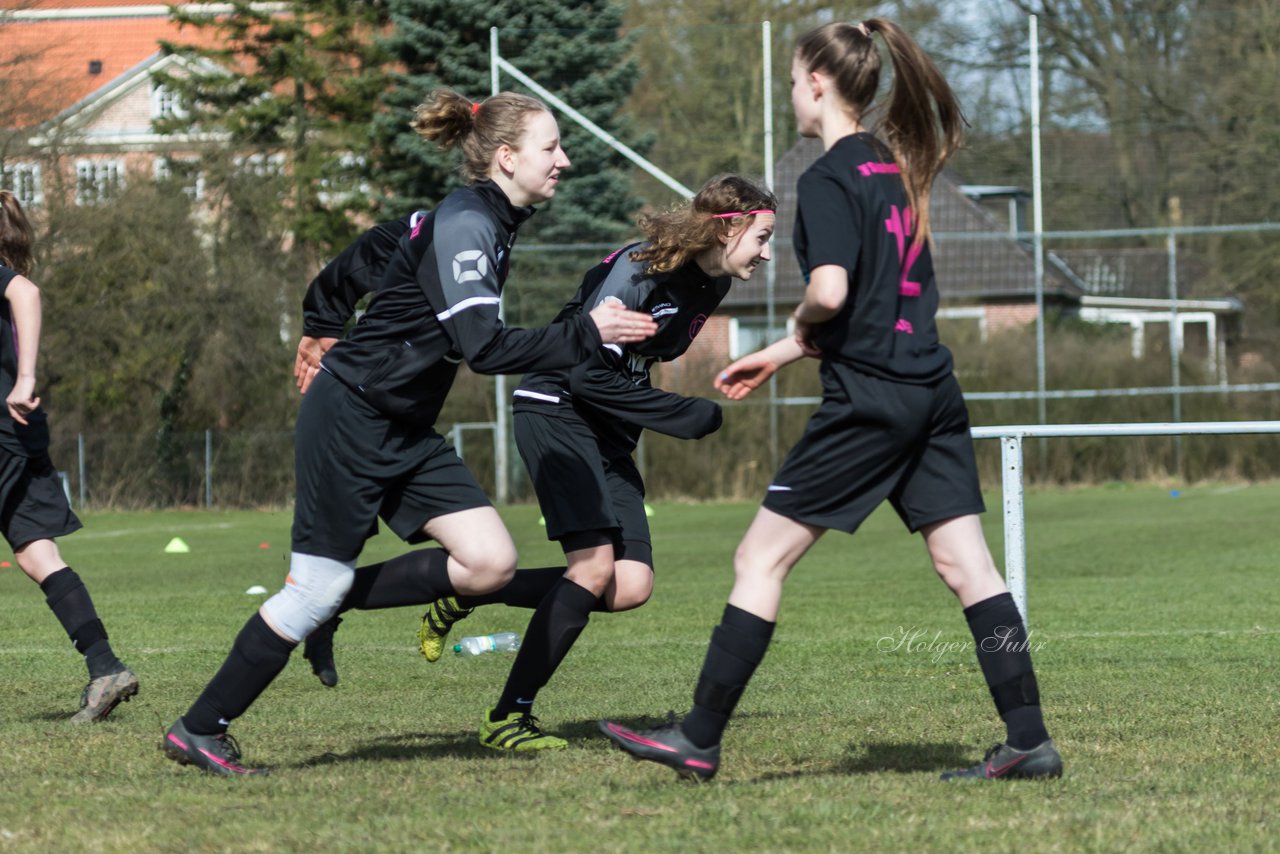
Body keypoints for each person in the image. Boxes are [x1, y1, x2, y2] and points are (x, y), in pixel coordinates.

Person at [599, 19, 1063, 782]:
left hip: (872, 400)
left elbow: (835, 291)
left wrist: (798, 321)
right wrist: (786, 354)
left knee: (758, 558)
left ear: (818, 82)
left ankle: (700, 736)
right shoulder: (898, 167)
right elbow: (884, 296)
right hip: (931, 389)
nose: (791, 93)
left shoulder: (825, 178)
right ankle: (1028, 739)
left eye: (791, 80)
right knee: (970, 568)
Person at [161, 89, 658, 777]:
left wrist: (320, 323)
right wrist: (586, 332)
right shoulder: (467, 225)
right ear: (508, 157)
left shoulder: (475, 220)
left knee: (489, 562)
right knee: (311, 589)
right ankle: (199, 727)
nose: (564, 161)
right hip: (351, 420)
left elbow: (368, 254)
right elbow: (483, 348)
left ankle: (335, 605)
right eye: (552, 148)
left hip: (403, 429)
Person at [303, 175, 778, 751]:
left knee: (629, 585)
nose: (768, 252)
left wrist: (659, 411)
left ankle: (465, 593)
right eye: (762, 236)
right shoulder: (641, 268)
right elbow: (582, 370)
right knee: (593, 568)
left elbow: (630, 367)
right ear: (727, 229)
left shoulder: (713, 283)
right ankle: (506, 716)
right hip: (556, 407)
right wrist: (675, 413)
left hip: (608, 430)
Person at [0, 190, 139, 722]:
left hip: (4, 428)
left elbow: (27, 293)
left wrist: (27, 377)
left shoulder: (7, 279)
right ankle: (105, 668)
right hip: (20, 431)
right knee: (37, 554)